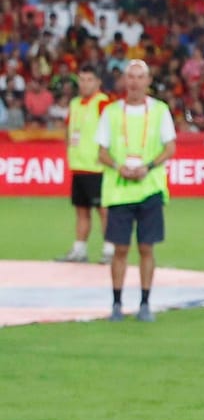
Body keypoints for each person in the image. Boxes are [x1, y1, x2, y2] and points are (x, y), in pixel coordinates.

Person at [94, 59, 173, 322]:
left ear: (148, 81)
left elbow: (170, 147)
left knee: (146, 248)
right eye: (131, 77)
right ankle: (116, 303)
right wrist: (119, 167)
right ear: (124, 81)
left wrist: (148, 167)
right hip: (120, 190)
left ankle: (145, 303)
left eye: (140, 77)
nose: (135, 82)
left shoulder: (160, 110)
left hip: (149, 188)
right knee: (120, 249)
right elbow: (101, 151)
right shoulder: (111, 112)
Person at [56, 67, 110, 263]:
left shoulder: (102, 102)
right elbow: (69, 129)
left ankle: (109, 250)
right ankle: (79, 249)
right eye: (82, 79)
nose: (84, 84)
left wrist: (105, 155)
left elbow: (111, 129)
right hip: (78, 165)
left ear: (97, 83)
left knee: (103, 210)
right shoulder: (75, 103)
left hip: (96, 166)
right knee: (81, 210)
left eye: (89, 79)